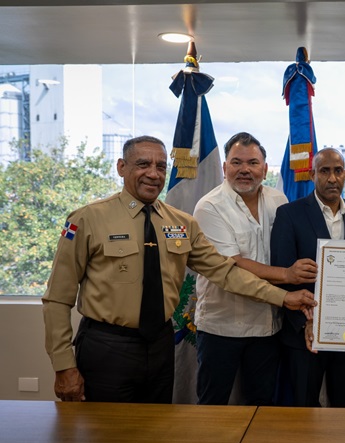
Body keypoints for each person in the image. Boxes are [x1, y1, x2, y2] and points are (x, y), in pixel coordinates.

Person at [42, 135, 315, 404]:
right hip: (108, 346)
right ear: (121, 167)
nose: (153, 174)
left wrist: (283, 297)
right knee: (105, 430)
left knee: (158, 428)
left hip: (160, 345)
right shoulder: (87, 219)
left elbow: (226, 272)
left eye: (161, 166)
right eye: (143, 164)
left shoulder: (181, 224)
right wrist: (63, 365)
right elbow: (57, 298)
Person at [193, 132, 317, 406]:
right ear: (224, 167)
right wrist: (287, 275)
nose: (245, 170)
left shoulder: (278, 200)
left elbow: (290, 250)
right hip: (222, 327)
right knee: (213, 405)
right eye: (236, 162)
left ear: (265, 168)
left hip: (268, 326)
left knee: (260, 405)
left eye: (252, 163)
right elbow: (234, 264)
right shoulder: (209, 206)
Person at [270, 147, 345, 407]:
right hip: (304, 333)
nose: (332, 178)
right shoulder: (289, 214)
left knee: (344, 406)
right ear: (312, 174)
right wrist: (303, 321)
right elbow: (280, 275)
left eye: (338, 171)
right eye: (324, 171)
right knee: (304, 408)